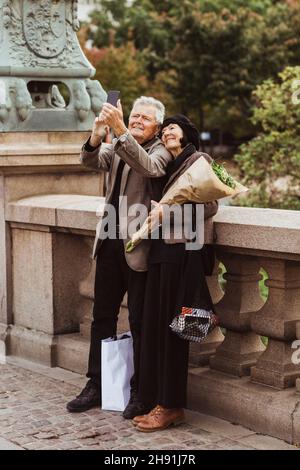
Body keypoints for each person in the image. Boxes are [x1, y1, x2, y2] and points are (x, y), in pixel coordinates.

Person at [66, 97, 172, 418]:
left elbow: (150, 168)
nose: (138, 120)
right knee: (102, 317)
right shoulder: (117, 145)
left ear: (157, 126)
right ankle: (96, 383)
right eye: (135, 115)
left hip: (138, 246)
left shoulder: (159, 150)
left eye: (145, 118)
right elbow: (91, 160)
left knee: (140, 321)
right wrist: (98, 134)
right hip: (109, 242)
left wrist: (123, 129)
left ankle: (140, 392)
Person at [133, 114, 218, 432]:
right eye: (164, 127)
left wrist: (169, 210)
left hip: (184, 254)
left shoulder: (199, 159)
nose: (168, 130)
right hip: (160, 252)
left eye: (174, 126)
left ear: (187, 133)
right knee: (156, 326)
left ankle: (171, 406)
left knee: (176, 331)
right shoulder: (164, 163)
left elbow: (210, 206)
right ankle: (159, 401)